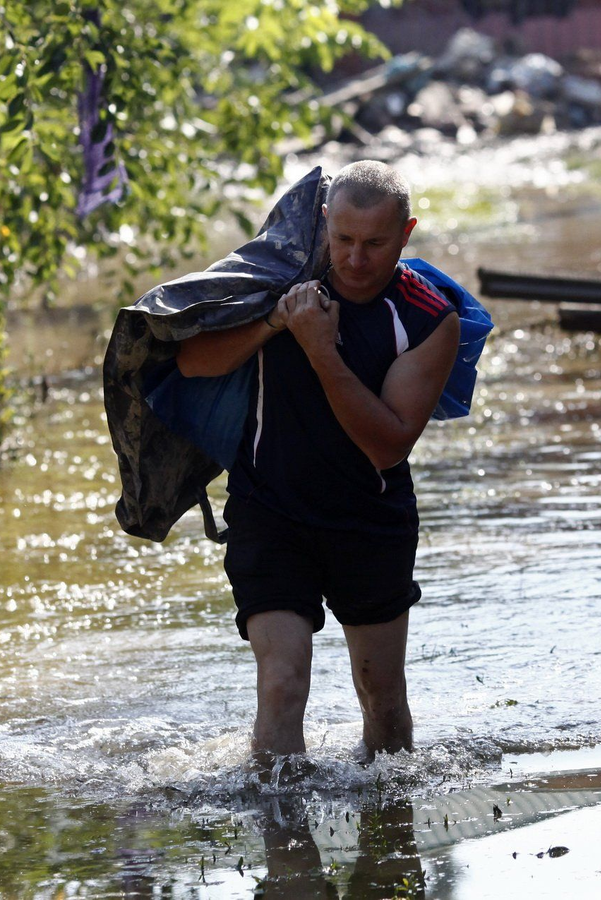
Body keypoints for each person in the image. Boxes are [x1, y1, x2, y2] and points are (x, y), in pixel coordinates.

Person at [176, 160, 460, 771]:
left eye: (376, 244)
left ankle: (390, 842)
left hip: (370, 516)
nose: (356, 260)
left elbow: (387, 445)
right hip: (268, 510)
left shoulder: (428, 319)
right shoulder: (278, 283)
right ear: (325, 223)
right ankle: (284, 846)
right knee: (282, 683)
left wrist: (320, 350)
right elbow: (192, 363)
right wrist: (276, 322)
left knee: (381, 701)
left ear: (406, 234)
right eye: (344, 240)